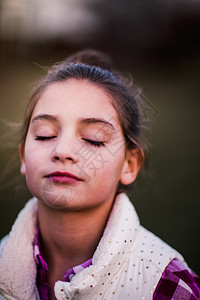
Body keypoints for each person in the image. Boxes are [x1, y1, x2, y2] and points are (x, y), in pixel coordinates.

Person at [0, 49, 199, 300]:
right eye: (45, 134)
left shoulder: (166, 285)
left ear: (129, 164)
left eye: (93, 140)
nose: (62, 151)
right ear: (23, 156)